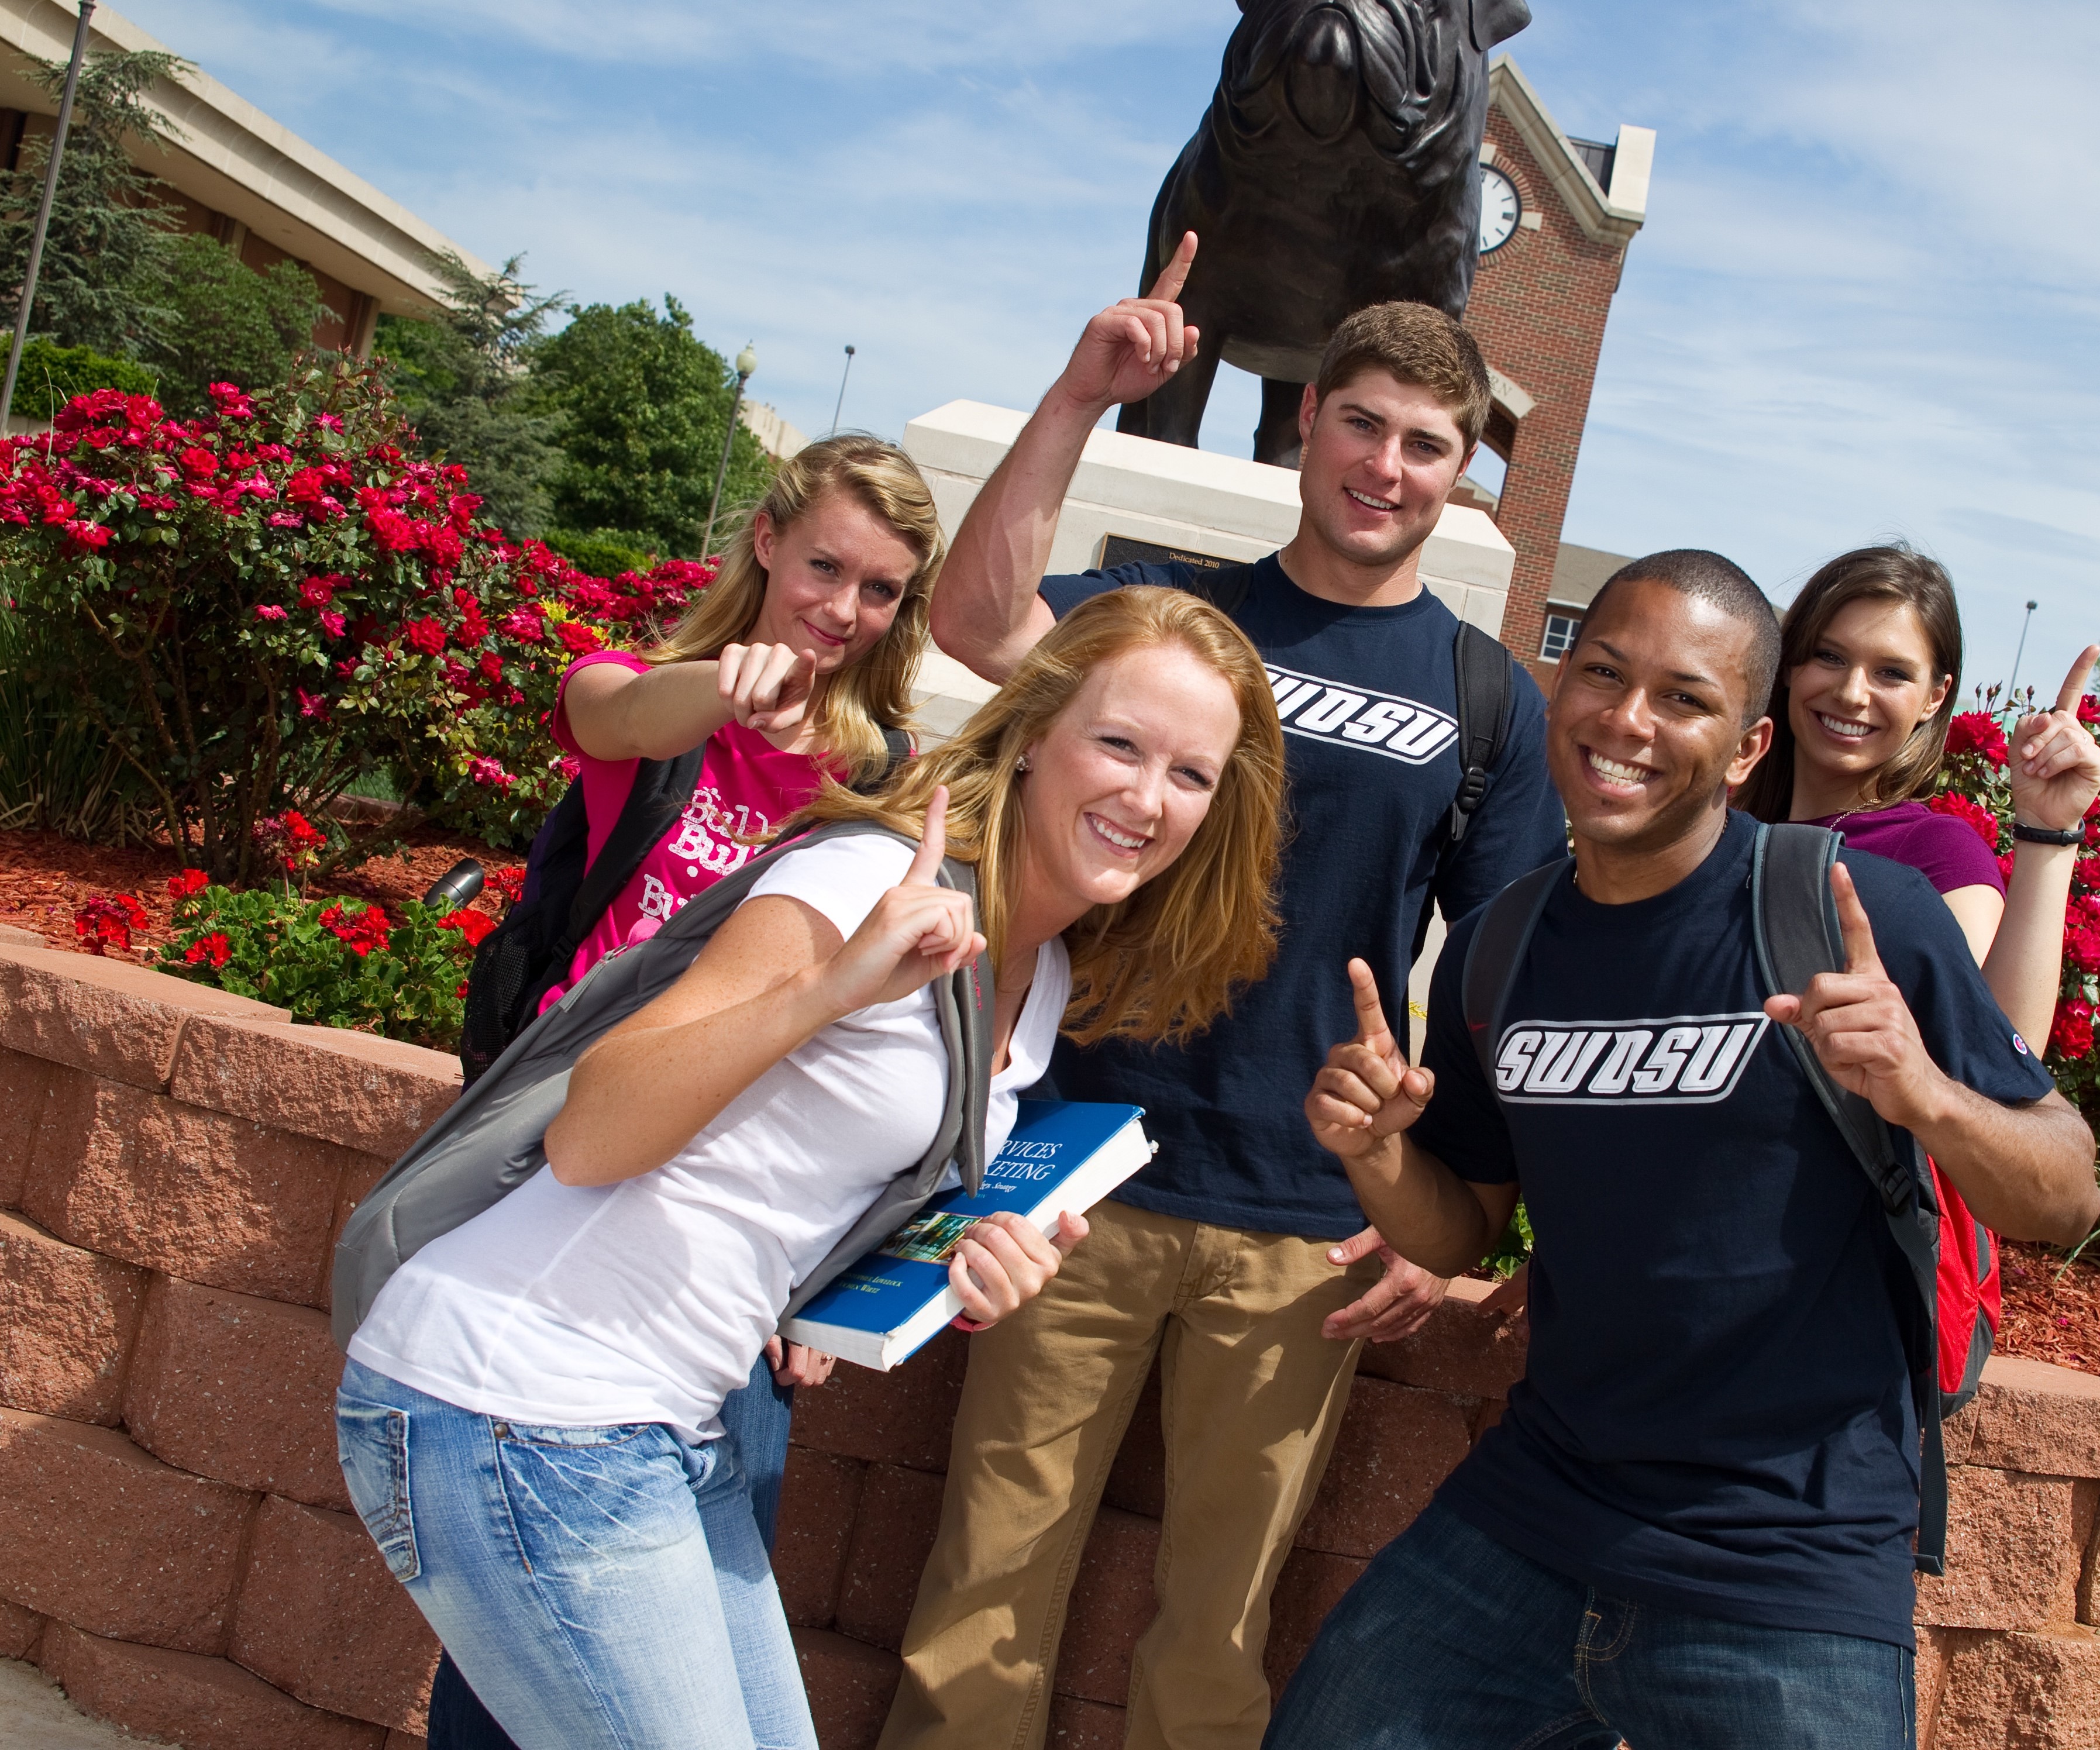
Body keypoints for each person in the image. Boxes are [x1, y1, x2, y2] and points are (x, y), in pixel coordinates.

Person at [336, 587, 1288, 1750]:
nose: (1148, 797)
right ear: (1037, 729)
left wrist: (960, 1257)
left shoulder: (1038, 985)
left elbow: (794, 1175)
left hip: (671, 1427)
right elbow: (594, 1131)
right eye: (1121, 743)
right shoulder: (866, 877)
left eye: (1191, 774)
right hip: (520, 1399)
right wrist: (832, 986)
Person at [878, 242, 1566, 1750]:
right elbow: (976, 622)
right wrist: (1079, 397)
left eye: (1427, 444)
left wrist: (1452, 1210)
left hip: (1298, 1233)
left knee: (1216, 1632)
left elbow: (1516, 977)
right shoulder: (1170, 616)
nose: (1387, 465)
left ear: (1465, 476)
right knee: (979, 1598)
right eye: (1364, 423)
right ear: (1308, 419)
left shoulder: (1482, 696)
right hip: (1068, 1181)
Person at [1278, 550, 2100, 1749]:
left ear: (1750, 747)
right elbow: (1463, 1227)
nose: (1627, 720)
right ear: (1560, 685)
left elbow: (2065, 1186)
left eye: (1683, 697)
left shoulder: (1854, 914)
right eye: (1604, 672)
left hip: (1788, 1561)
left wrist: (1927, 1093)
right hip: (1536, 1512)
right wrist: (1376, 1152)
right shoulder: (1501, 943)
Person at [427, 431, 947, 1749]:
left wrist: (826, 1275)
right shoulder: (654, 706)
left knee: (687, 1598)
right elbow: (613, 710)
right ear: (766, 543)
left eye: (880, 588)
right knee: (508, 1629)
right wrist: (721, 692)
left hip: (729, 1234)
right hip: (553, 1174)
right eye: (824, 564)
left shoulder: (882, 782)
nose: (842, 607)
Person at [1733, 545, 2100, 1048]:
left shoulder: (1937, 853)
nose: (1851, 692)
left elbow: (1999, 1055)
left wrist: (2049, 831)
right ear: (1789, 665)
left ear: (1935, 696)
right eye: (1830, 656)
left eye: (1892, 672)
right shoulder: (1721, 826)